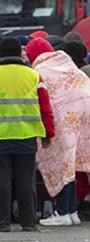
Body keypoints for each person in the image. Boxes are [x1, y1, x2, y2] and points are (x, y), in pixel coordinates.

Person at [23, 38, 90, 228]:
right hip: (84, 121)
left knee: (61, 165)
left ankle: (63, 211)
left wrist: (46, 131)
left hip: (61, 123)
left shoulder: (41, 71)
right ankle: (72, 211)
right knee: (70, 167)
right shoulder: (69, 66)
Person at [0, 36, 53, 232]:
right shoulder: (33, 75)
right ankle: (28, 222)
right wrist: (48, 133)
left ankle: (3, 223)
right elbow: (45, 106)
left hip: (1, 137)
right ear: (19, 53)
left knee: (2, 180)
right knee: (25, 180)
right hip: (26, 136)